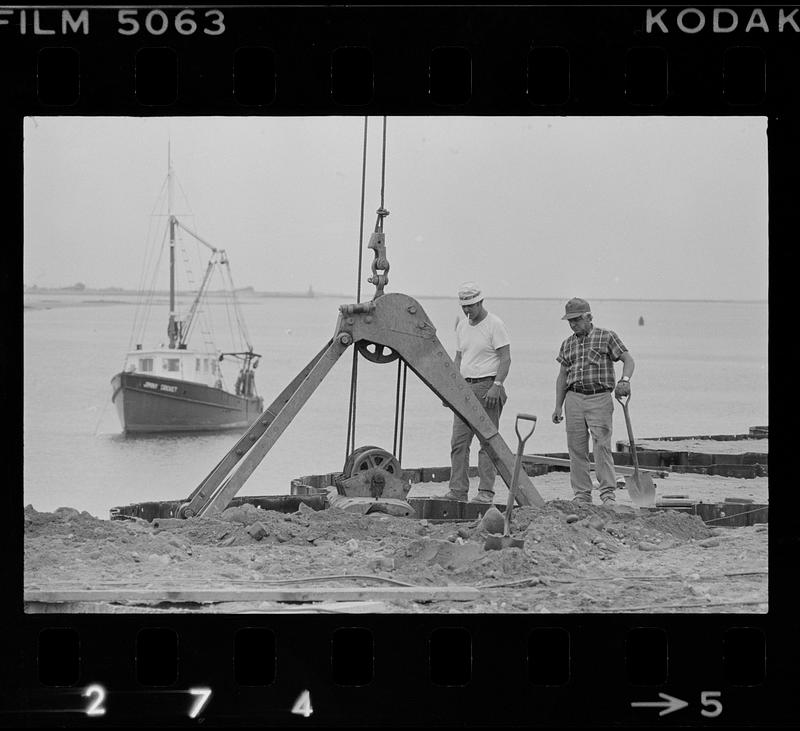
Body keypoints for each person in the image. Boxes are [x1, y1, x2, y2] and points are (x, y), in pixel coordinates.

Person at [551, 297, 635, 505]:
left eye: (577, 319)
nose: (573, 324)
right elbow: (562, 376)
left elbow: (628, 360)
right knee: (576, 448)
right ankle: (582, 494)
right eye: (570, 320)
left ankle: (607, 494)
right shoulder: (567, 343)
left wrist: (625, 380)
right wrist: (557, 406)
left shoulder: (606, 336)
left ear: (589, 317)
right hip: (574, 397)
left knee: (601, 446)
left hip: (599, 396)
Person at [442, 282, 511, 504]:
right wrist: (451, 389)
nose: (467, 310)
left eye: (471, 306)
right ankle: (458, 490)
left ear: (480, 302)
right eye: (464, 307)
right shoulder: (462, 326)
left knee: (487, 443)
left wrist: (497, 385)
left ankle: (486, 491)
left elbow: (505, 358)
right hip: (465, 387)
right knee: (459, 442)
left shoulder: (495, 325)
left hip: (487, 385)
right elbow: (459, 358)